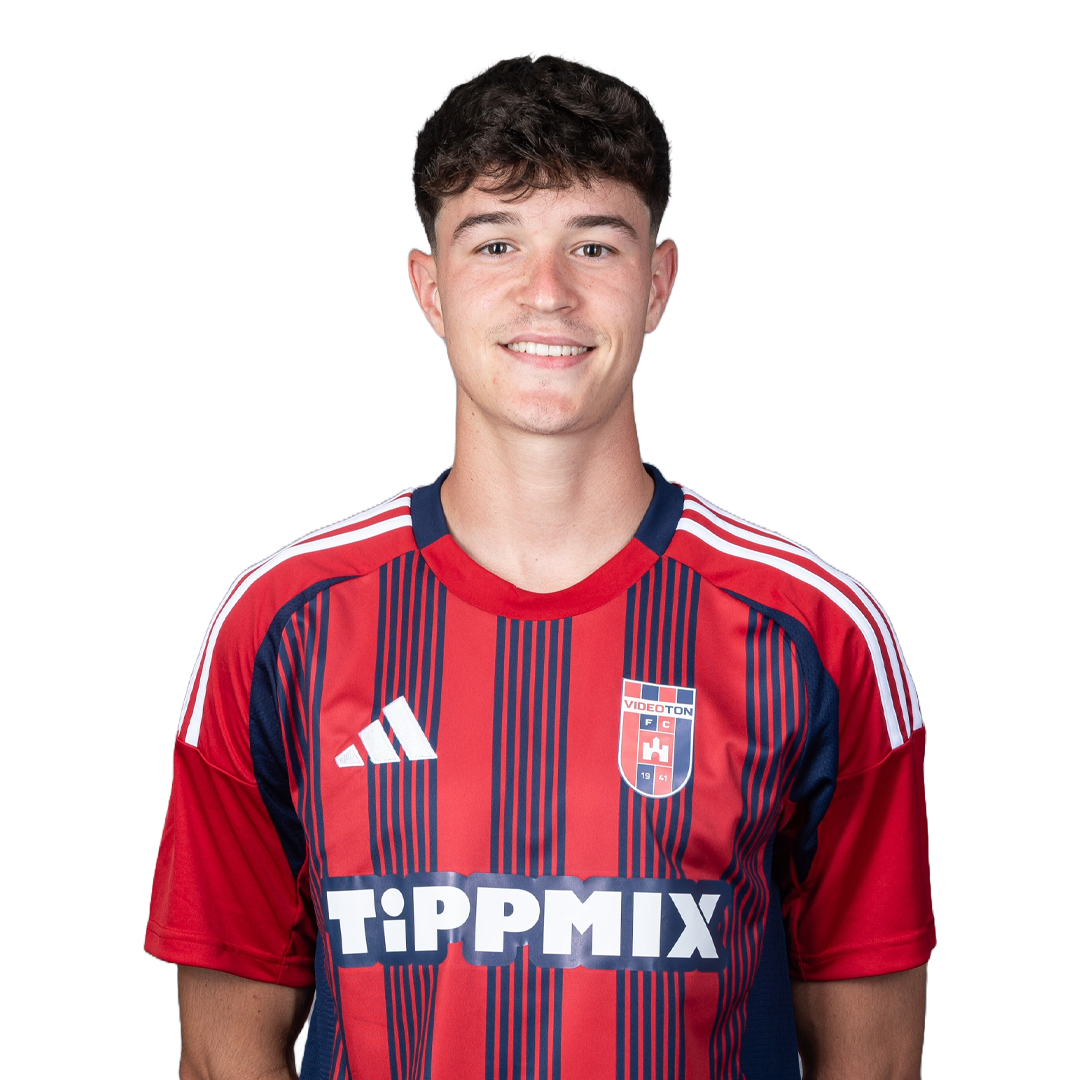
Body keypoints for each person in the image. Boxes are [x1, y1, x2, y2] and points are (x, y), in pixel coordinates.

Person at [146, 52, 935, 1080]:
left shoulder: (815, 633)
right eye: (495, 243)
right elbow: (223, 1050)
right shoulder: (283, 623)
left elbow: (875, 1060)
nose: (547, 293)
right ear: (431, 288)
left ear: (658, 284)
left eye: (593, 245)